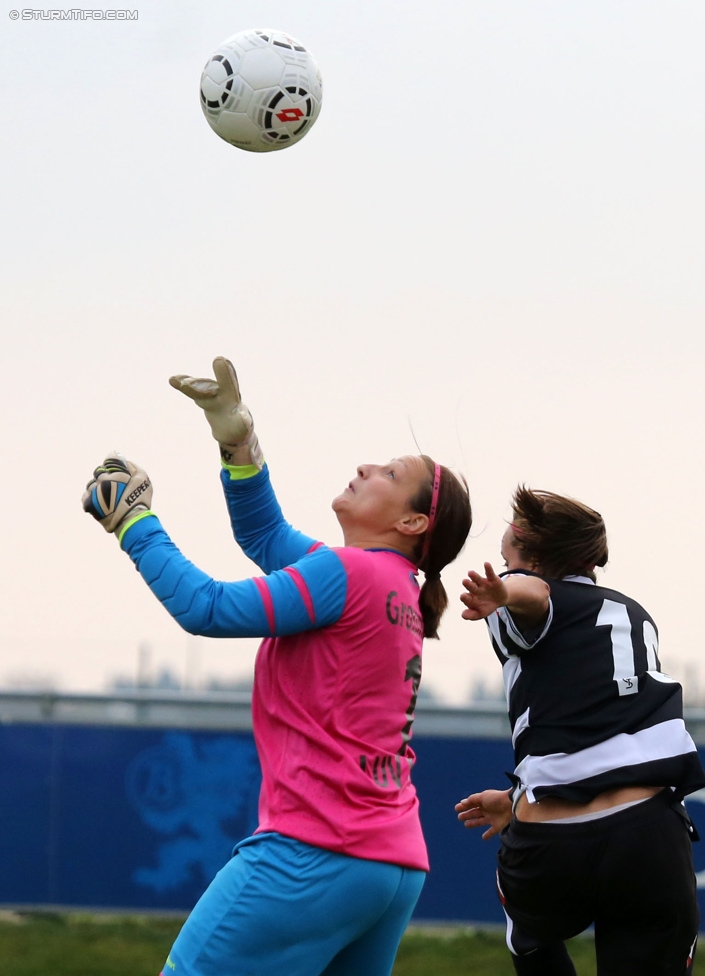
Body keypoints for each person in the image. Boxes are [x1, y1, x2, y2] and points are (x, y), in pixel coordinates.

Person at [82, 357, 472, 976]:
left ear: (412, 521)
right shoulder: (388, 580)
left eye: (389, 473)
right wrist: (238, 441)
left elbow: (205, 608)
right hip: (391, 868)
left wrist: (134, 521)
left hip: (314, 852)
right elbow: (265, 536)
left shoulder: (349, 573)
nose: (366, 467)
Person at [455, 486, 705, 976]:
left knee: (525, 932)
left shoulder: (527, 593)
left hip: (555, 846)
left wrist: (505, 590)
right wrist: (517, 792)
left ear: (530, 554)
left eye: (507, 559)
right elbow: (601, 727)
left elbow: (540, 595)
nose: (502, 569)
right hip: (647, 833)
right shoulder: (632, 613)